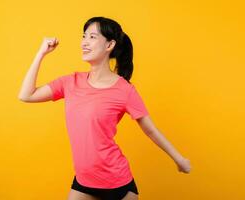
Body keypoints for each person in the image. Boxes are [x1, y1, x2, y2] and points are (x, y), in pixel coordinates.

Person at [18, 16, 191, 200]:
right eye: (84, 36)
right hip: (84, 181)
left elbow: (150, 130)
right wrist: (41, 54)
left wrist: (179, 159)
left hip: (117, 183)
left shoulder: (125, 90)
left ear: (109, 45)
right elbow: (26, 95)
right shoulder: (70, 82)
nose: (84, 42)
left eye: (92, 37)